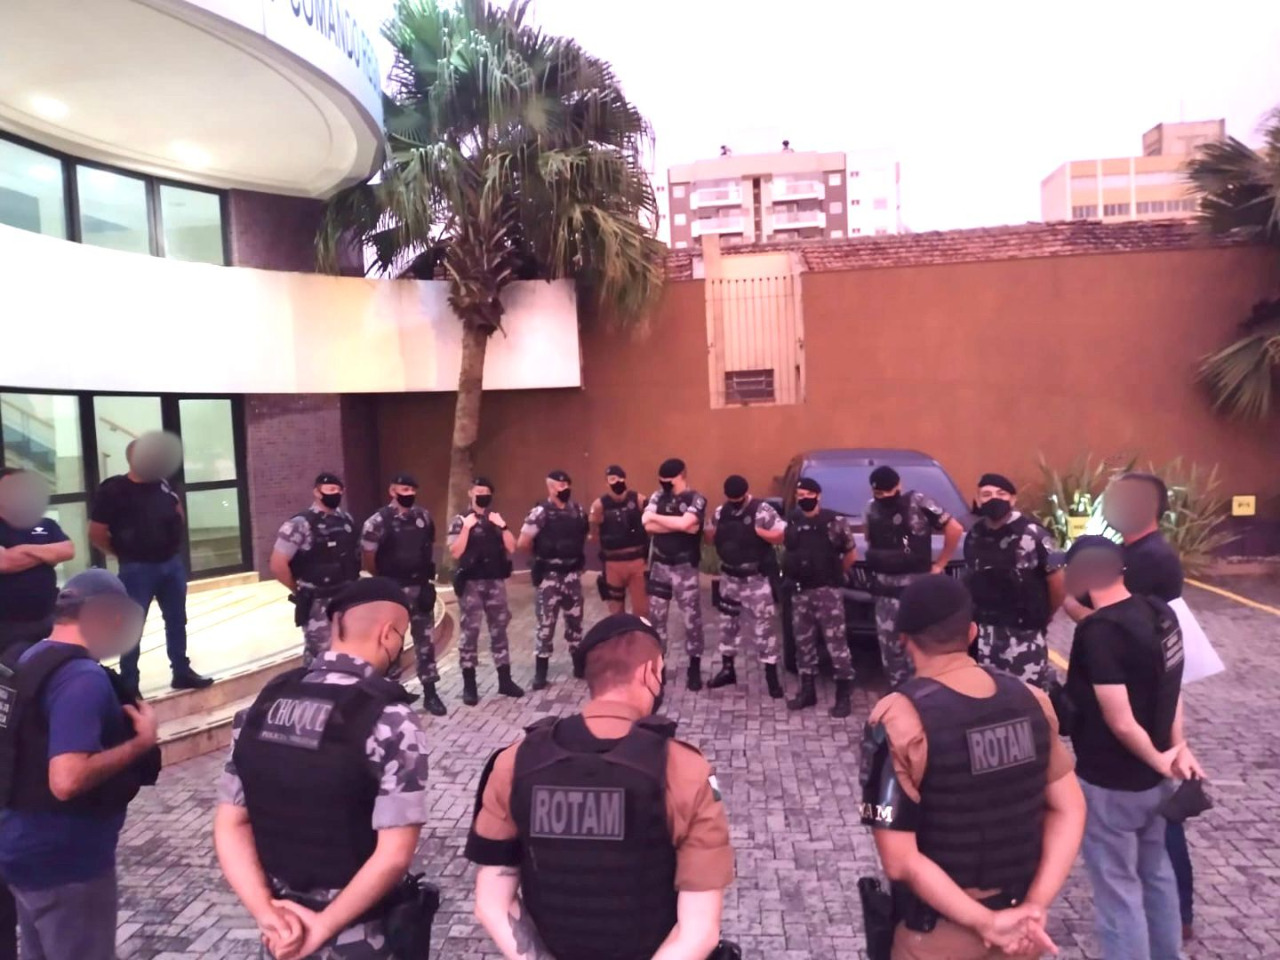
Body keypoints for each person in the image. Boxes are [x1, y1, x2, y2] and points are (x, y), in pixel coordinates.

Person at [465, 612, 733, 960]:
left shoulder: (515, 762)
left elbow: (492, 904)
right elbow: (699, 932)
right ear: (649, 673)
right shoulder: (683, 768)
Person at [860, 575, 1085, 960]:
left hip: (939, 935)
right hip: (1020, 927)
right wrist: (1034, 906)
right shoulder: (1031, 699)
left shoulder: (898, 719)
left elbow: (899, 862)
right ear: (972, 632)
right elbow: (1070, 807)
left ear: (903, 639)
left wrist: (984, 923)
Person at [214, 578, 432, 960]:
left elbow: (231, 823)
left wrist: (268, 915)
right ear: (388, 635)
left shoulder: (262, 706)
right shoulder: (391, 718)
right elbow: (394, 855)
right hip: (360, 936)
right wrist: (322, 928)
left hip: (282, 933)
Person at [0, 569, 160, 960]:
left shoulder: (27, 659)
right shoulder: (81, 679)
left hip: (21, 847)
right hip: (67, 861)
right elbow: (67, 779)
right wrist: (141, 742)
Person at [1067, 472, 1197, 943]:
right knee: (1156, 874)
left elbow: (1119, 721)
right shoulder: (1161, 614)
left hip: (1113, 780)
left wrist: (1157, 756)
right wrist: (1174, 750)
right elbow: (1173, 685)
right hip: (1157, 778)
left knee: (1117, 888)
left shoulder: (1099, 632)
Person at [89, 432, 212, 693]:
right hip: (137, 568)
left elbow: (178, 513)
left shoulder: (164, 484)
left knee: (177, 619)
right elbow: (97, 533)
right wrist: (122, 553)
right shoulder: (114, 490)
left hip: (171, 565)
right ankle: (130, 682)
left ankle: (181, 671)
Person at [864, 466, 963, 689]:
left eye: (890, 491)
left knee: (922, 649)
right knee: (891, 653)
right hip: (886, 594)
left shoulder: (919, 502)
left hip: (916, 593)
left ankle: (923, 698)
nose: (886, 497)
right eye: (880, 494)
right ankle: (900, 697)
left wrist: (941, 563)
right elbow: (872, 543)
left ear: (899, 485)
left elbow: (954, 529)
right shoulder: (871, 509)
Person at [963, 473, 1065, 689]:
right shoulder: (974, 535)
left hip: (1023, 636)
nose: (994, 499)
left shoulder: (1035, 534)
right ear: (978, 499)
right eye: (986, 494)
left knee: (1030, 697)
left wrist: (1046, 615)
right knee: (990, 693)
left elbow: (1058, 581)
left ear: (1013, 499)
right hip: (985, 635)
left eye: (1001, 494)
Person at [360, 472, 447, 717]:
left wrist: (427, 581)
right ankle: (393, 693)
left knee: (425, 641)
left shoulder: (423, 517)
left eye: (411, 491)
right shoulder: (377, 521)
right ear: (392, 491)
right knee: (392, 643)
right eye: (403, 490)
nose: (407, 495)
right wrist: (385, 581)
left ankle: (431, 692)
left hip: (420, 587)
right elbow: (369, 558)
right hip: (393, 590)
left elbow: (427, 547)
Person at [781, 478, 859, 717]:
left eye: (807, 494)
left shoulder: (834, 522)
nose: (803, 498)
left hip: (827, 592)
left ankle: (843, 695)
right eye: (799, 494)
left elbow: (851, 555)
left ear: (818, 495)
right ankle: (807, 691)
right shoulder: (794, 520)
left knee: (837, 645)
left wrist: (836, 575)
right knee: (803, 643)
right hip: (800, 592)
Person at [705, 475, 786, 698]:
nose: (735, 502)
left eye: (738, 498)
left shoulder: (762, 510)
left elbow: (781, 535)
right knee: (727, 626)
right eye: (731, 498)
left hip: (755, 580)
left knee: (764, 629)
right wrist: (710, 533)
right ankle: (728, 670)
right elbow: (711, 538)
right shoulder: (722, 512)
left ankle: (772, 679)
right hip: (730, 578)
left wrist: (759, 533)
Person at [270, 473, 361, 668]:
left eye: (338, 490)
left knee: (348, 654)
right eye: (329, 490)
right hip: (317, 604)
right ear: (317, 493)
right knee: (321, 658)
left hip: (346, 599)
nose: (334, 494)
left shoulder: (346, 521)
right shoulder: (300, 524)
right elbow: (278, 565)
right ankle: (311, 694)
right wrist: (298, 589)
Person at [448, 477, 523, 706]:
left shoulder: (495, 519)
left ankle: (505, 680)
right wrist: (467, 529)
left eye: (486, 491)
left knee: (499, 630)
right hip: (471, 584)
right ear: (471, 493)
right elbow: (455, 552)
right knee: (470, 635)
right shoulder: (460, 520)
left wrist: (503, 526)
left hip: (495, 582)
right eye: (478, 491)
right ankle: (470, 686)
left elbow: (512, 546)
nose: (482, 495)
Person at [518, 470, 588, 690]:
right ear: (550, 487)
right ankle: (541, 672)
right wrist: (541, 558)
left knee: (575, 622)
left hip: (571, 575)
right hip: (549, 576)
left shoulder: (577, 511)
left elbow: (581, 536)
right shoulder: (540, 513)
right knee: (546, 625)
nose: (564, 487)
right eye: (559, 485)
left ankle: (578, 664)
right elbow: (523, 542)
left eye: (567, 484)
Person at [642, 458, 708, 691]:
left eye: (668, 480)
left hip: (684, 568)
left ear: (681, 475)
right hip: (660, 566)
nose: (664, 484)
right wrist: (678, 524)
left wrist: (660, 521)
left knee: (692, 620)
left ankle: (694, 667)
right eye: (661, 481)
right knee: (657, 619)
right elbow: (646, 524)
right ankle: (658, 666)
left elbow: (688, 523)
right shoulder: (658, 496)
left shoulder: (695, 499)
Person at [0, 468, 75, 653]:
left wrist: (22, 550)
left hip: (48, 617)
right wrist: (46, 554)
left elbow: (67, 550)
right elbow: (4, 562)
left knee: (52, 669)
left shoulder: (45, 524)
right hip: (8, 624)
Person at [588, 465, 649, 618]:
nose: (617, 482)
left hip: (637, 563)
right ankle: (620, 638)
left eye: (619, 478)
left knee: (642, 610)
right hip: (613, 564)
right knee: (616, 611)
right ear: (607, 483)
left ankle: (640, 639)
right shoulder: (599, 505)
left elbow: (651, 524)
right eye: (612, 479)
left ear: (625, 479)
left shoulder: (639, 500)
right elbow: (593, 535)